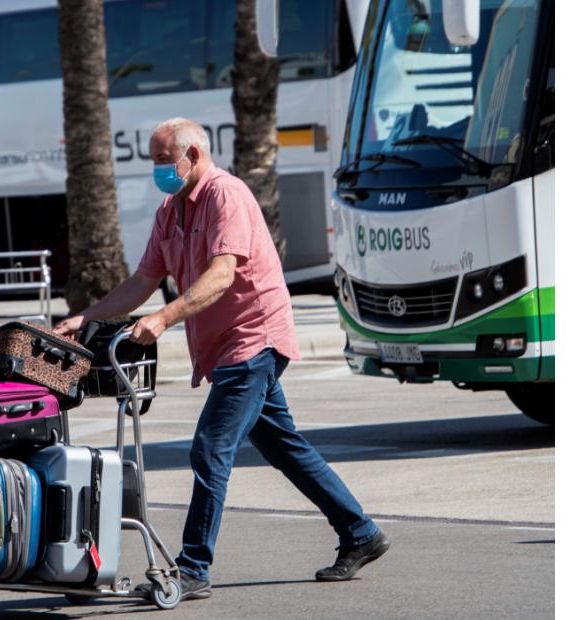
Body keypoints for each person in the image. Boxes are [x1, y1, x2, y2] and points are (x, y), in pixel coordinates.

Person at [56, 118, 389, 600]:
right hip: (226, 347)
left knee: (210, 449)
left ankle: (193, 569)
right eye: (152, 161)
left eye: (163, 161)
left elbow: (222, 275)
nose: (157, 171)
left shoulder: (224, 196)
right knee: (284, 447)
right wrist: (84, 316)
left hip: (254, 339)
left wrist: (164, 319)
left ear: (192, 156)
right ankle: (360, 533)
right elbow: (141, 281)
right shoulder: (170, 211)